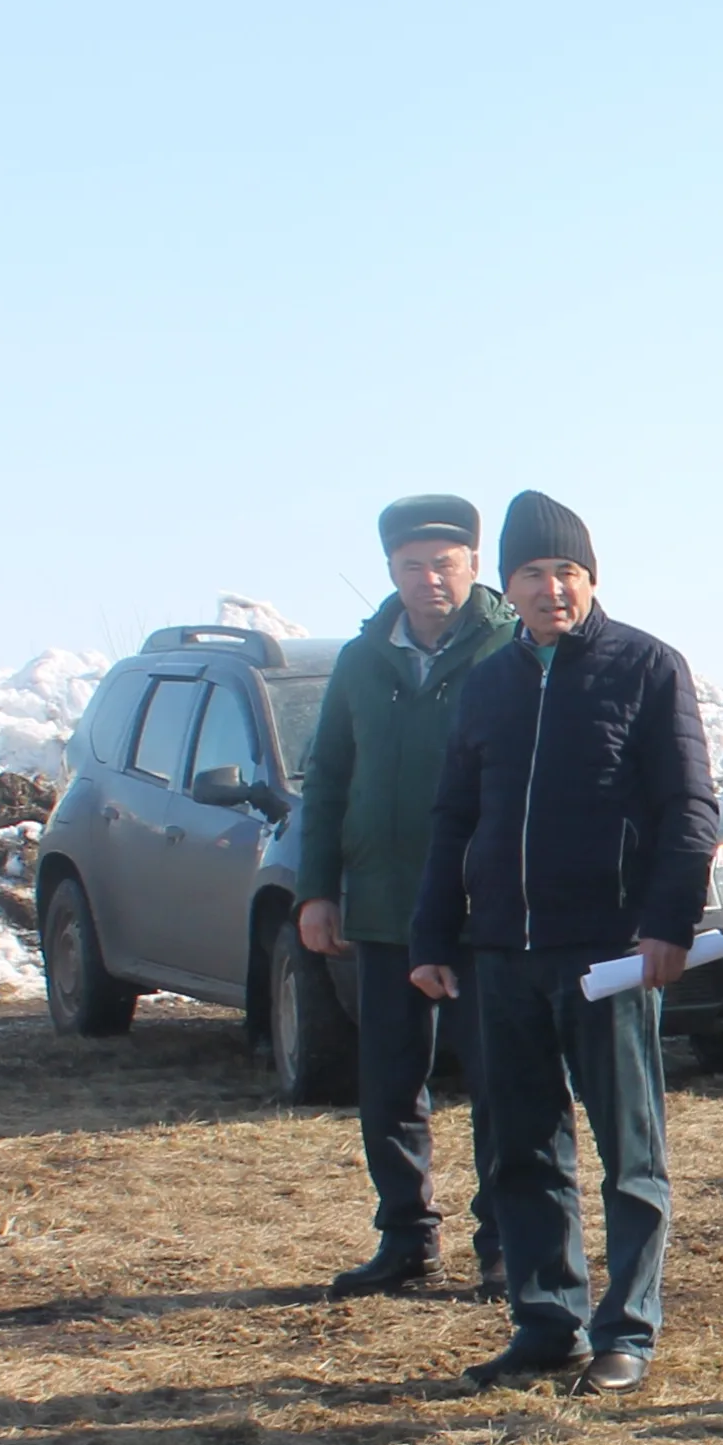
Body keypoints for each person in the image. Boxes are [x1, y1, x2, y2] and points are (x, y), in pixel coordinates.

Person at [408, 492, 716, 1394]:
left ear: (592, 580)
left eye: (568, 573)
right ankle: (547, 1321)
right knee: (521, 1149)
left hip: (608, 953)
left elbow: (687, 810)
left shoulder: (647, 668)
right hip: (502, 950)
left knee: (631, 1151)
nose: (554, 590)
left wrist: (666, 925)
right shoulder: (489, 683)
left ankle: (628, 1329)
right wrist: (435, 934)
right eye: (536, 574)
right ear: (507, 588)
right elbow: (453, 816)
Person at [297, 495, 522, 1301]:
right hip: (387, 905)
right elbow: (326, 777)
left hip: (482, 910)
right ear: (390, 570)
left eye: (445, 563)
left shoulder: (510, 649)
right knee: (390, 1081)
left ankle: (506, 1242)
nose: (429, 579)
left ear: (472, 564)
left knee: (502, 1081)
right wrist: (318, 889)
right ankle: (406, 1238)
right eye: (412, 565)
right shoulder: (363, 660)